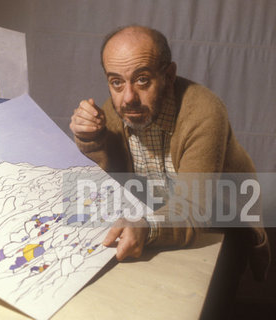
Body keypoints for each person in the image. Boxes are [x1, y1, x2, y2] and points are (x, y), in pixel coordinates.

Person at [69, 25, 269, 281]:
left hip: (222, 220)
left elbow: (195, 208)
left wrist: (147, 227)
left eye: (142, 79)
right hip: (160, 215)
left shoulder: (205, 111)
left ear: (169, 75)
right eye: (116, 82)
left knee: (206, 303)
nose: (128, 97)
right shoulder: (114, 108)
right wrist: (92, 140)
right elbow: (111, 184)